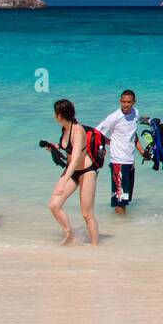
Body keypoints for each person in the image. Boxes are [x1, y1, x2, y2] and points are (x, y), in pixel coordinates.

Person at [47, 99, 99, 246]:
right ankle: (71, 235)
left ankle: (95, 247)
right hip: (72, 171)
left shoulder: (78, 131)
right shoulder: (65, 128)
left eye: (55, 113)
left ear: (61, 115)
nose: (54, 116)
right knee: (54, 205)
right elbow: (67, 148)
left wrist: (63, 182)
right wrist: (54, 147)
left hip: (86, 171)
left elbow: (76, 160)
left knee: (86, 214)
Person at [97, 89, 145, 214]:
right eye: (123, 102)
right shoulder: (113, 117)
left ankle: (122, 228)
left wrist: (141, 150)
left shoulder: (135, 113)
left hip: (130, 162)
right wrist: (109, 142)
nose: (126, 105)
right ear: (120, 101)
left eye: (129, 102)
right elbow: (96, 134)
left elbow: (133, 134)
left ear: (134, 102)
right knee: (119, 201)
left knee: (125, 199)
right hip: (118, 163)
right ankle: (120, 230)